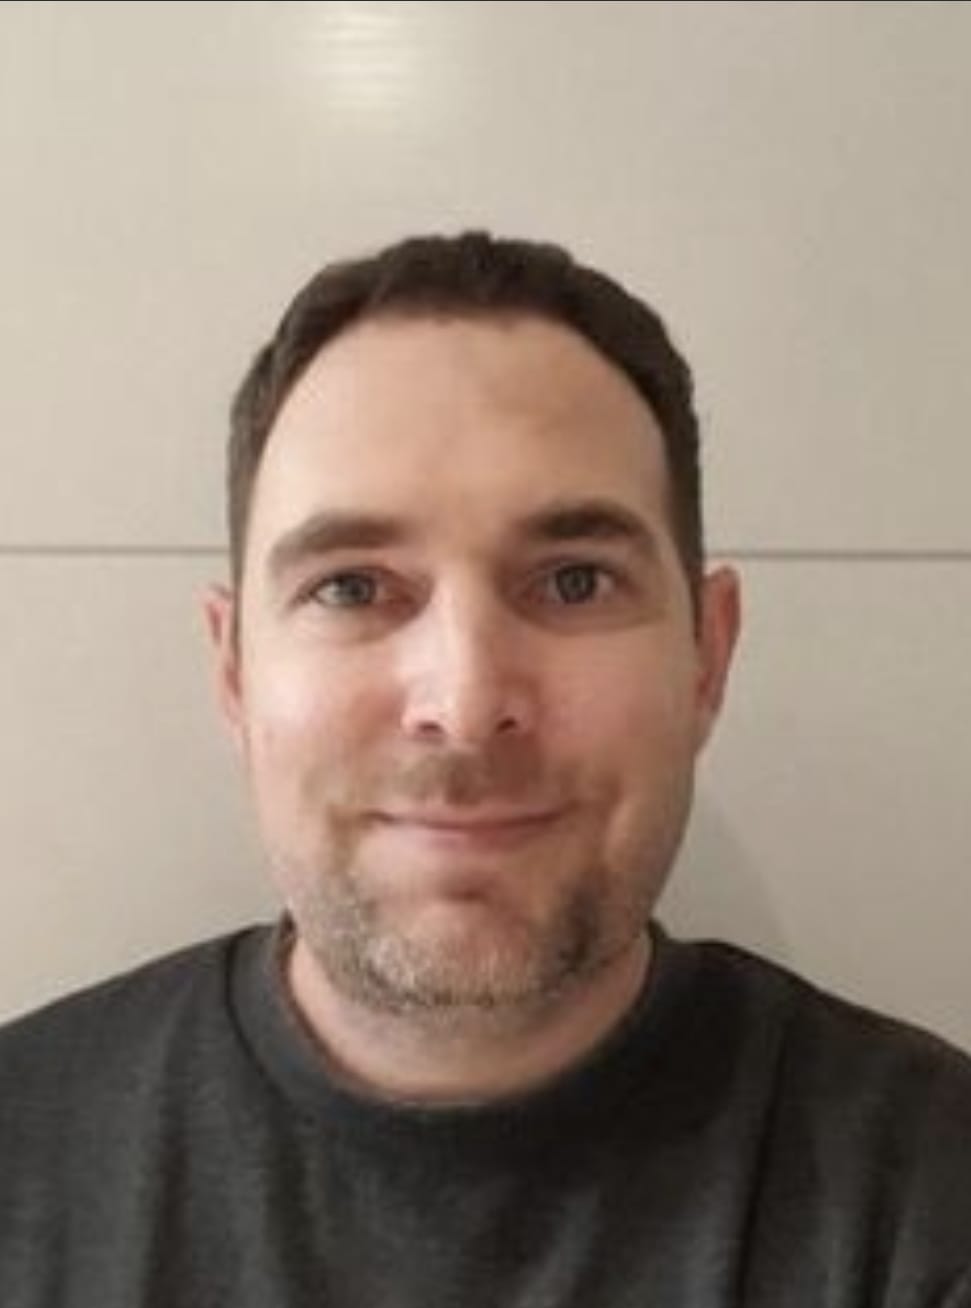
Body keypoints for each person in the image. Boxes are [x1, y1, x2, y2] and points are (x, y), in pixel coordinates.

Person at [1, 231, 969, 1307]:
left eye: (572, 582)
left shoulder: (929, 1198)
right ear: (234, 670)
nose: (463, 706)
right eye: (351, 587)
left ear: (707, 654)